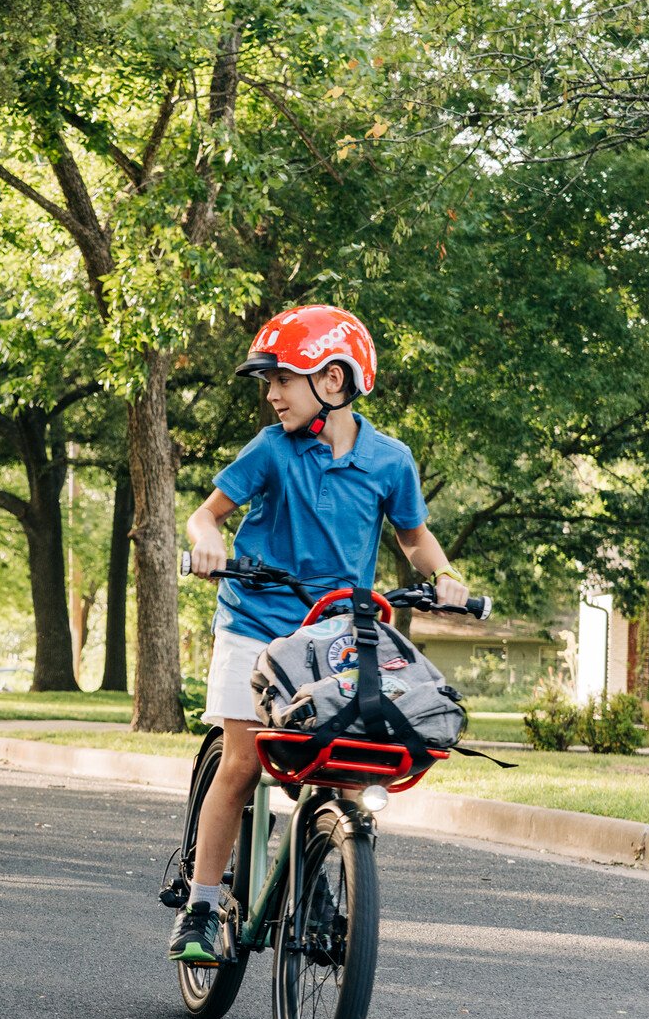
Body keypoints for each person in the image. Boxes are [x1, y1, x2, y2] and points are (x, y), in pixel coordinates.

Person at [170, 304, 468, 964]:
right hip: (254, 621)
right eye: (267, 381)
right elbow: (204, 517)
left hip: (330, 636)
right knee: (244, 762)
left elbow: (415, 538)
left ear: (334, 382)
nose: (271, 393)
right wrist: (210, 545)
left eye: (283, 378)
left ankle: (319, 874)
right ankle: (199, 903)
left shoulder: (390, 460)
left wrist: (444, 576)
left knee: (334, 762)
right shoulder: (273, 449)